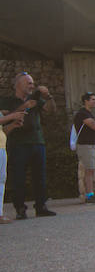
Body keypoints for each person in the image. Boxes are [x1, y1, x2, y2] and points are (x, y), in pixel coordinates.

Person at [0, 72, 57, 219]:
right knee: (18, 177)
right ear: (18, 84)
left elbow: (51, 110)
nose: (32, 85)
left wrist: (48, 96)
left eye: (32, 83)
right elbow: (4, 118)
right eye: (29, 83)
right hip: (18, 144)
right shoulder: (8, 101)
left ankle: (41, 206)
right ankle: (20, 208)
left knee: (40, 176)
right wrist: (24, 106)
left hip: (38, 142)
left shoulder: (36, 100)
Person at [73, 92, 95, 204]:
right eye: (92, 99)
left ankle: (91, 194)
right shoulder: (82, 114)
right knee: (89, 170)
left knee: (91, 170)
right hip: (86, 145)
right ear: (86, 101)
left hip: (92, 145)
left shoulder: (89, 114)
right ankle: (89, 195)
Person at [0, 109, 26, 223]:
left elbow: (2, 131)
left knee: (1, 181)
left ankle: (0, 214)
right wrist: (12, 116)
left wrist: (12, 125)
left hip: (1, 147)